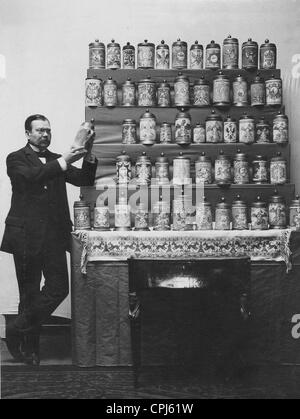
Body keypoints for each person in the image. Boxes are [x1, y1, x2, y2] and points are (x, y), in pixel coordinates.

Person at [1, 114, 98, 366]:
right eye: (40, 130)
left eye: (48, 131)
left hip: (53, 237)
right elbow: (31, 177)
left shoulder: (57, 160)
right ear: (28, 133)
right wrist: (66, 160)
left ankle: (17, 327)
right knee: (29, 294)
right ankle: (31, 351)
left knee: (59, 288)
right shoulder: (16, 158)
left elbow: (84, 180)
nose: (45, 134)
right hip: (25, 238)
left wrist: (88, 154)